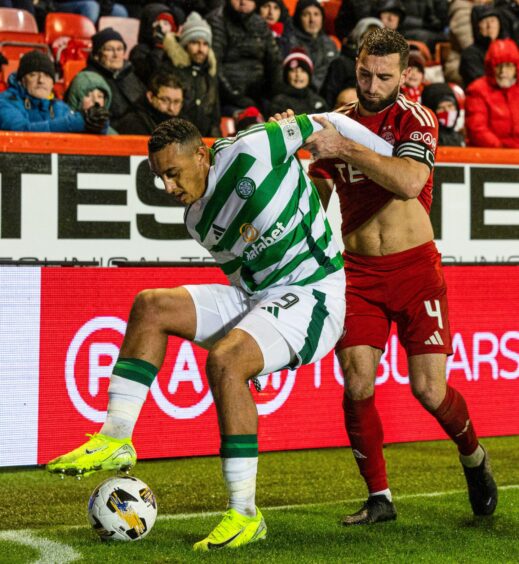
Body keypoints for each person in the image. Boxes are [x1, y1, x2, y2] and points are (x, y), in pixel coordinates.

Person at [47, 107, 396, 549]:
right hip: (260, 295)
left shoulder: (254, 146)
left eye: (173, 173)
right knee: (151, 306)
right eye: (160, 178)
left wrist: (387, 158)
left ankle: (245, 514)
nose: (168, 187)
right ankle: (116, 436)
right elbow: (245, 276)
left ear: (202, 156)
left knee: (228, 359)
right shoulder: (195, 219)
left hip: (316, 293)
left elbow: (330, 120)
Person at [305, 27, 497, 525]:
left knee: (429, 391)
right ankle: (379, 498)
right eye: (364, 73)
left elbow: (410, 182)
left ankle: (474, 458)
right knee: (357, 384)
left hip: (414, 269)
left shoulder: (416, 118)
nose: (371, 84)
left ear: (404, 75)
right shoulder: (334, 123)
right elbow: (316, 200)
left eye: (383, 76)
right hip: (359, 272)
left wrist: (343, 148)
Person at [0, 50, 108, 133]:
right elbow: (22, 131)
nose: (41, 80)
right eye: (33, 75)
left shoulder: (59, 107)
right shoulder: (5, 102)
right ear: (22, 80)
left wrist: (98, 123)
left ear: (52, 83)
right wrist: (71, 124)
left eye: (47, 76)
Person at [206, 0, 283, 115]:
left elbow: (275, 63)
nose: (242, 2)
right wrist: (235, 96)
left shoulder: (260, 24)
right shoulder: (217, 20)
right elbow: (214, 64)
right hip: (226, 98)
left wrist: (275, 96)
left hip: (259, 96)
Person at [163, 11, 222, 137]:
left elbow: (214, 118)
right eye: (195, 43)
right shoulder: (170, 70)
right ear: (185, 44)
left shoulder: (210, 74)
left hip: (204, 144)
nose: (201, 49)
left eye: (205, 44)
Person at [83, 27, 146, 131]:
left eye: (119, 49)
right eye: (109, 49)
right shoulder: (89, 79)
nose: (116, 55)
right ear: (96, 56)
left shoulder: (130, 75)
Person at [465, 38, 519, 147]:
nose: (503, 72)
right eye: (498, 66)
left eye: (508, 65)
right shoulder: (477, 90)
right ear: (491, 67)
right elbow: (477, 129)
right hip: (492, 156)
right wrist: (502, 151)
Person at [321, 17, 383, 109]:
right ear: (357, 37)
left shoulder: (383, 67)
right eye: (367, 38)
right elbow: (329, 96)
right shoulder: (341, 63)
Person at [116, 71, 184, 134]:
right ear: (150, 96)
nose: (171, 108)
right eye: (165, 100)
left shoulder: (181, 123)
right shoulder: (133, 123)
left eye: (176, 102)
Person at [292, 0, 338, 92]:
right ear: (298, 18)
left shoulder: (330, 43)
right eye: (306, 15)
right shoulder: (290, 42)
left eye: (316, 14)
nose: (312, 20)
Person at [129, 3, 180, 85]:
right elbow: (153, 76)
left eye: (167, 24)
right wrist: (159, 47)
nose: (164, 29)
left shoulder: (176, 51)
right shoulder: (139, 51)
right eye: (159, 23)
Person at [269, 48, 327, 115]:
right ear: (286, 75)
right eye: (293, 71)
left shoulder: (319, 101)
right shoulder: (279, 102)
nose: (298, 75)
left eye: (303, 71)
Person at [460, 4, 504, 87]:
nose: (490, 26)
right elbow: (480, 83)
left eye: (493, 21)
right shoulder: (470, 55)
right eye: (484, 22)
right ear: (477, 27)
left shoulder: (506, 49)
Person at [65, 70, 116, 134]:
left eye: (100, 96)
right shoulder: (64, 131)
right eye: (87, 95)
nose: (96, 101)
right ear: (76, 99)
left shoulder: (112, 136)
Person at [421, 82, 465, 146]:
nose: (447, 111)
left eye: (450, 106)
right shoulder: (427, 139)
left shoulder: (460, 137)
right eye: (441, 108)